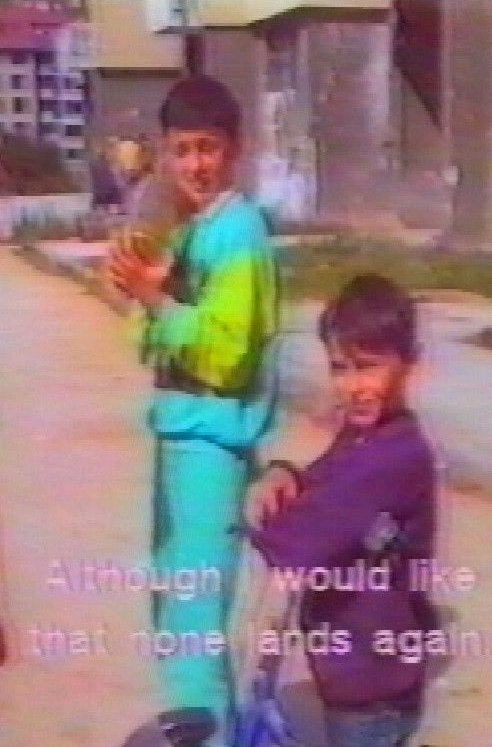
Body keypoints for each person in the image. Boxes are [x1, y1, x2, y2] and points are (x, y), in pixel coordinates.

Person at [109, 75, 278, 747]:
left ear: (234, 150)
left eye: (208, 148)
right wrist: (140, 291)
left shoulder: (239, 230)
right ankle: (194, 728)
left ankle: (210, 735)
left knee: (198, 617)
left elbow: (228, 353)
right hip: (178, 438)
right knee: (175, 608)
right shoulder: (186, 231)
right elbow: (147, 341)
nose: (195, 165)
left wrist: (157, 302)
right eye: (181, 150)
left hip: (213, 445)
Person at [247, 273, 437, 747]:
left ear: (409, 364)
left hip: (374, 688)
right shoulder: (363, 437)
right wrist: (286, 473)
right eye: (340, 368)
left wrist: (248, 517)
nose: (353, 386)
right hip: (354, 672)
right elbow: (324, 479)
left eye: (368, 367)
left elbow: (304, 541)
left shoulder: (396, 456)